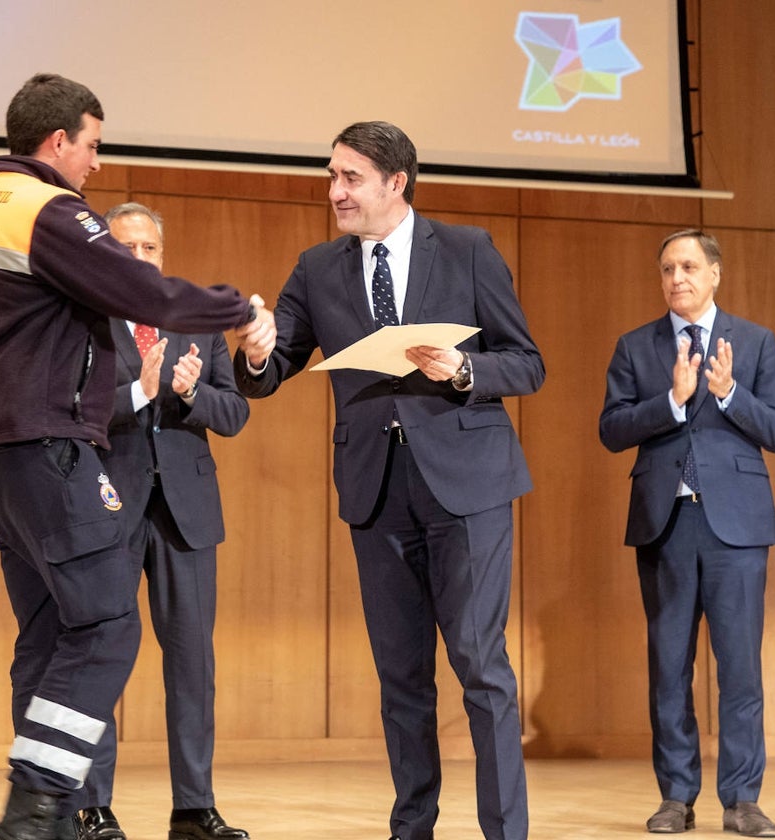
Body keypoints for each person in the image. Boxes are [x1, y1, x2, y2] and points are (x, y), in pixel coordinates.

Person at [0, 73, 274, 840]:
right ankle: (35, 813)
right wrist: (242, 308)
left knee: (49, 631)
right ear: (58, 141)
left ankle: (49, 817)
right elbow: (146, 294)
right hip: (48, 450)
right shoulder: (49, 208)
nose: (95, 163)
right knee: (105, 627)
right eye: (92, 145)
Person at [233, 121, 544, 840]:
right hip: (377, 490)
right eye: (332, 176)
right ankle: (413, 831)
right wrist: (254, 352)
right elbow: (270, 371)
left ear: (395, 183)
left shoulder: (467, 250)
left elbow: (527, 362)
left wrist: (467, 371)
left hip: (467, 483)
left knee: (479, 664)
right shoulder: (316, 268)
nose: (335, 191)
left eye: (350, 178)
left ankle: (507, 833)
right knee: (402, 680)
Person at [598, 230, 775, 838]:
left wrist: (729, 394)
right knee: (669, 667)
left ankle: (742, 801)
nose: (675, 277)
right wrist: (673, 401)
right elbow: (611, 428)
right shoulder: (635, 346)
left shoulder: (756, 341)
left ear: (715, 274)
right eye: (666, 269)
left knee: (740, 669)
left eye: (687, 266)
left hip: (737, 528)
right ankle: (676, 797)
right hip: (667, 524)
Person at [68, 202, 251, 840]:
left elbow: (234, 413)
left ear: (162, 256)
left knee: (192, 663)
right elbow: (67, 409)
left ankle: (194, 808)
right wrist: (143, 392)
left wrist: (192, 394)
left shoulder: (195, 322)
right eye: (127, 248)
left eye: (150, 249)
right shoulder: (79, 319)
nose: (140, 259)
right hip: (106, 507)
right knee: (98, 658)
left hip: (187, 515)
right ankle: (92, 807)